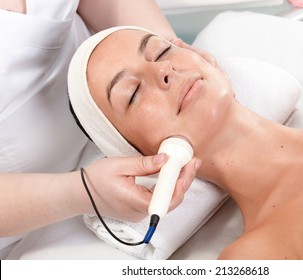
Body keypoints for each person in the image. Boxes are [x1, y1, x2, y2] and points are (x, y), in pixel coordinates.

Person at [68, 26, 303, 259]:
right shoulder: (253, 258)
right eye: (133, 93)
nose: (163, 70)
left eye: (162, 51)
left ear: (202, 57)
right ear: (140, 155)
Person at [0, 0, 210, 258]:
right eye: (133, 94)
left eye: (161, 56)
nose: (166, 72)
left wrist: (167, 50)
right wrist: (80, 191)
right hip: (37, 218)